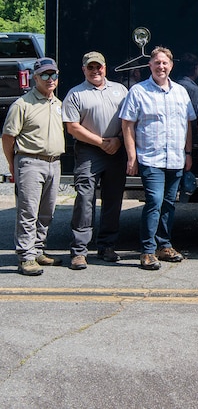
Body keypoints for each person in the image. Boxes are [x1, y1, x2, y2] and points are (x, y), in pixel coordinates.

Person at [120, 46, 195, 271]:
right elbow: (127, 125)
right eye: (157, 63)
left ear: (171, 66)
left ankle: (164, 245)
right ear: (149, 66)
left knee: (169, 204)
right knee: (154, 202)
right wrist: (132, 156)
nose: (161, 67)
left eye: (165, 63)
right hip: (150, 159)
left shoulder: (181, 92)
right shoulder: (138, 92)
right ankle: (147, 250)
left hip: (175, 159)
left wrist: (188, 153)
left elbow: (188, 124)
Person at [62, 51, 128, 270]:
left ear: (105, 67)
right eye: (90, 67)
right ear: (84, 70)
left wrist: (118, 140)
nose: (95, 70)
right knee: (84, 199)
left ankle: (107, 246)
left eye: (98, 66)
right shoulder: (75, 94)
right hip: (89, 151)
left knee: (113, 199)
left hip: (117, 150)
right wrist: (101, 142)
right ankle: (79, 251)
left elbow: (129, 121)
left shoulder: (120, 90)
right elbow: (72, 127)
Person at [2, 57, 65, 276]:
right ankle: (26, 257)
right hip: (30, 161)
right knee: (28, 211)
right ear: (35, 77)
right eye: (45, 75)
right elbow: (8, 137)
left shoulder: (57, 104)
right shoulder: (22, 104)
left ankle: (38, 249)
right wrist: (13, 164)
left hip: (53, 163)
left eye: (53, 75)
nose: (50, 79)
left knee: (47, 211)